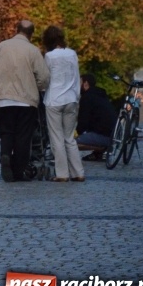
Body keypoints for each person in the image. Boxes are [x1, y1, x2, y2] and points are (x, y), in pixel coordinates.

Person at [0, 20, 50, 182]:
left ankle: (5, 154)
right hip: (26, 100)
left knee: (7, 132)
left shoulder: (2, 46)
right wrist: (35, 87)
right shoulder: (33, 51)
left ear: (17, 30)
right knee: (24, 136)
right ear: (31, 33)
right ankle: (18, 170)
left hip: (4, 99)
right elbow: (43, 78)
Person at [42, 25, 84, 182]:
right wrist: (77, 97)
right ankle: (78, 172)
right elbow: (76, 75)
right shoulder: (72, 54)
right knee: (69, 138)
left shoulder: (49, 56)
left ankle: (62, 174)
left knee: (57, 138)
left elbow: (46, 79)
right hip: (71, 99)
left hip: (54, 99)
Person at [76, 73, 117, 161]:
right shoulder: (101, 95)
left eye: (78, 83)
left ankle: (101, 149)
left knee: (69, 142)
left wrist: (76, 133)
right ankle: (98, 153)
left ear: (85, 83)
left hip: (104, 138)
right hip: (112, 135)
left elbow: (83, 123)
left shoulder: (87, 98)